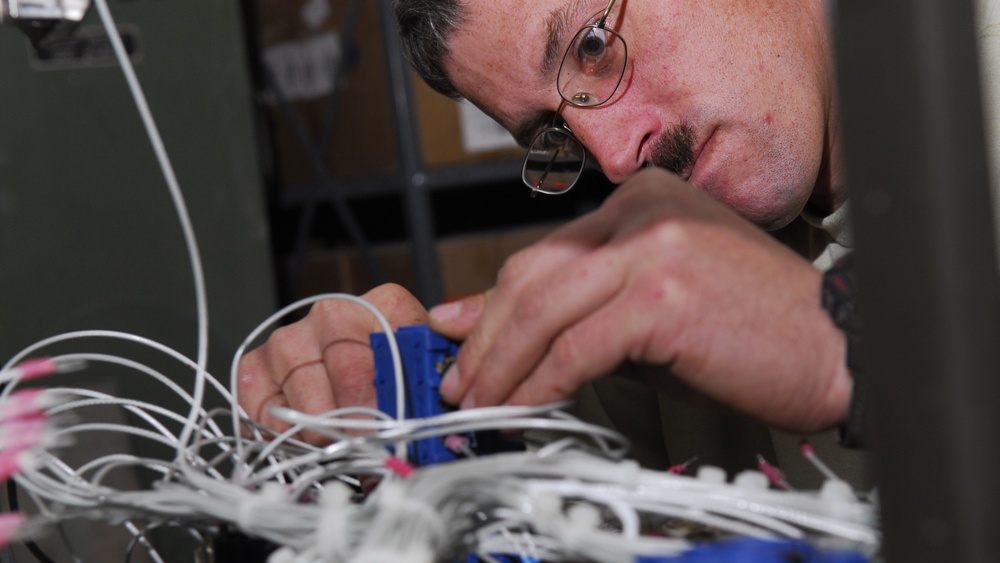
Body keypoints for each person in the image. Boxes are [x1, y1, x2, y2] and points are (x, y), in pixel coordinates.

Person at [236, 0, 999, 469]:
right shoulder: (668, 289)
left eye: (591, 47)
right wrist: (405, 410)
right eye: (553, 131)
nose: (610, 155)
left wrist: (845, 352)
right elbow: (556, 504)